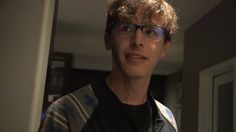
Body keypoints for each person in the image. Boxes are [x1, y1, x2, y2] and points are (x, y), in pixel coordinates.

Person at [39, 0, 178, 131]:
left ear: (165, 47)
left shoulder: (168, 119)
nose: (137, 41)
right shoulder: (67, 113)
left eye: (150, 31)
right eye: (126, 28)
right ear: (107, 39)